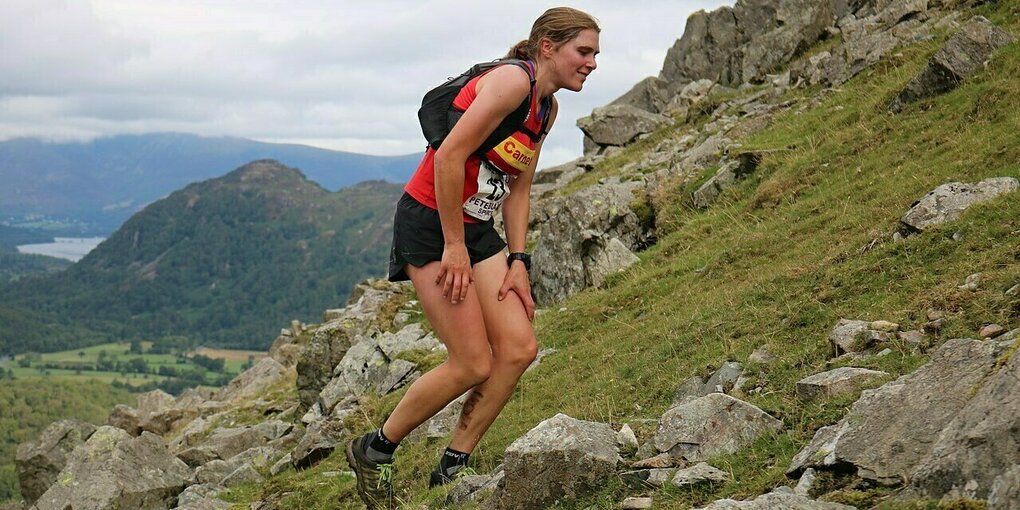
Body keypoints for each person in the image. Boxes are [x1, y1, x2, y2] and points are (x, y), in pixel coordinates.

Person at [345, 7, 600, 508]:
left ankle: (453, 463)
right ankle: (374, 450)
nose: (592, 64)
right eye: (584, 51)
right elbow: (447, 157)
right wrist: (454, 245)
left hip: (477, 225)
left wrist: (519, 262)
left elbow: (519, 189)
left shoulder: (545, 108)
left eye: (595, 54)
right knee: (471, 362)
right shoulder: (510, 83)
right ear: (547, 46)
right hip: (431, 222)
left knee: (519, 347)